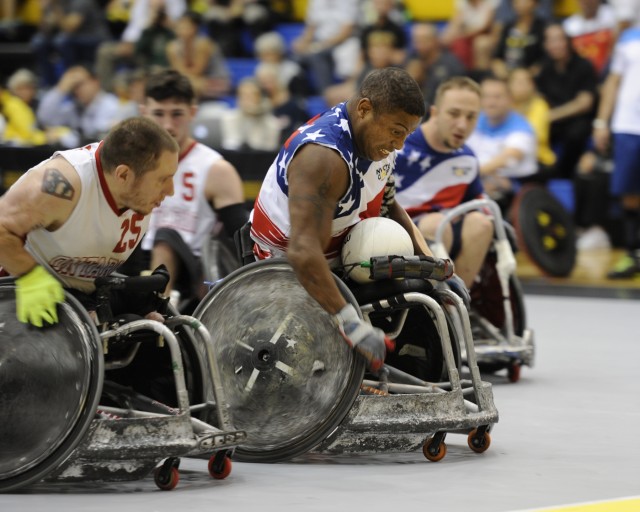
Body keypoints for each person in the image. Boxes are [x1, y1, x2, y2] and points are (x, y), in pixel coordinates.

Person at [249, 67, 431, 371]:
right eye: (397, 131)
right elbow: (302, 251)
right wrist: (351, 323)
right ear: (364, 109)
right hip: (286, 269)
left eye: (407, 135)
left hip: (342, 252)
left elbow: (388, 205)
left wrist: (432, 263)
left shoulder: (378, 139)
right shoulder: (322, 157)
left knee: (425, 288)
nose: (400, 144)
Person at [0, 116, 179, 328]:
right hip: (17, 292)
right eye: (162, 179)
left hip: (81, 295)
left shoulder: (139, 194)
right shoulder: (62, 183)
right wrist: (30, 276)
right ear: (123, 175)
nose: (171, 190)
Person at [139, 69, 248, 307]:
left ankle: (157, 308)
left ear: (192, 113)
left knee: (165, 237)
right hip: (137, 261)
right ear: (144, 113)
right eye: (158, 114)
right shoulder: (131, 164)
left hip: (192, 271)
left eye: (177, 114)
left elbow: (244, 241)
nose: (167, 125)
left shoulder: (215, 168)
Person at [393, 76, 492, 290]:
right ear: (435, 113)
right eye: (454, 114)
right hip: (400, 234)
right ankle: (437, 302)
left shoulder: (467, 159)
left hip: (446, 233)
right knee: (437, 224)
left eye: (471, 117)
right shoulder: (397, 147)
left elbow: (479, 203)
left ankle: (461, 305)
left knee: (482, 223)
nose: (462, 125)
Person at [593, 25, 640, 277]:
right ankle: (633, 253)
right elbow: (613, 81)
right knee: (629, 192)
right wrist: (601, 121)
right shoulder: (629, 37)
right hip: (628, 126)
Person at [466, 75, 538, 204]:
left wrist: (467, 174)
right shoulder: (474, 121)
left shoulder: (521, 127)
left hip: (516, 190)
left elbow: (508, 158)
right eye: (486, 96)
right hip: (480, 179)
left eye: (497, 97)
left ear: (510, 99)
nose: (491, 102)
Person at [36, 64, 127, 148]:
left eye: (80, 84)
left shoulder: (112, 105)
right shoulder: (74, 107)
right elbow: (45, 118)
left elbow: (95, 135)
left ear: (95, 82)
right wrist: (61, 89)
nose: (76, 90)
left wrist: (67, 137)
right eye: (73, 86)